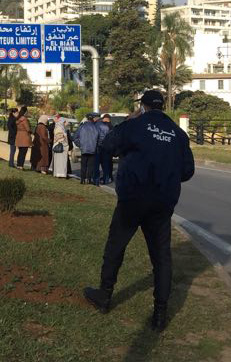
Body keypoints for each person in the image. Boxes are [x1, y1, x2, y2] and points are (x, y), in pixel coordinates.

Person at [83, 90, 195, 333]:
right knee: (161, 257)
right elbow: (187, 171)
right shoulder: (177, 133)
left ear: (142, 106)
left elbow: (108, 146)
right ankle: (160, 314)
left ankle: (104, 294)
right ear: (162, 106)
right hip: (162, 204)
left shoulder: (135, 124)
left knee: (116, 245)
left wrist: (129, 123)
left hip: (133, 198)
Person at [74, 113, 104, 185]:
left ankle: (82, 179)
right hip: (93, 149)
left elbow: (75, 138)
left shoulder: (81, 127)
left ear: (87, 119)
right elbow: (100, 139)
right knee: (90, 165)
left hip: (84, 149)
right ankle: (89, 179)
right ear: (93, 119)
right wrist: (96, 145)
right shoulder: (95, 127)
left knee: (83, 164)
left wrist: (80, 145)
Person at [96, 114, 113, 185]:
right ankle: (108, 177)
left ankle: (105, 178)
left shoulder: (101, 126)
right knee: (108, 164)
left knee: (103, 164)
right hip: (108, 147)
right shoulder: (111, 126)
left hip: (101, 147)